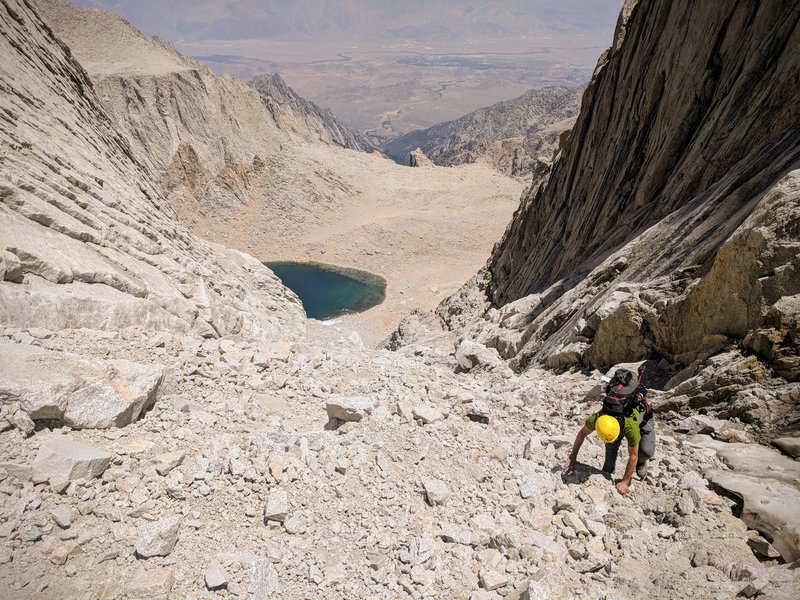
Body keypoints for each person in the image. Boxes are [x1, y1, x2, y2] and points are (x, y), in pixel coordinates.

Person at [563, 368, 655, 495]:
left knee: (646, 451)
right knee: (609, 460)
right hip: (620, 421)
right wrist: (572, 456)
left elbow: (633, 456)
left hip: (644, 419)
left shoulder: (630, 426)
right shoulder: (600, 417)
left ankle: (642, 462)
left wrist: (625, 481)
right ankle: (608, 472)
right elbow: (582, 434)